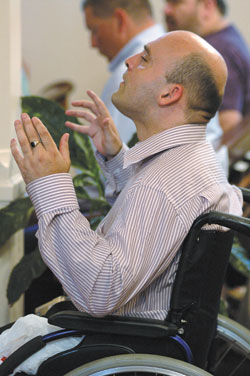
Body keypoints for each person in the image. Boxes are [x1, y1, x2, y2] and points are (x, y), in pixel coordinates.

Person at [11, 31, 242, 321]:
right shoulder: (191, 159)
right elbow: (150, 228)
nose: (130, 61)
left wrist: (50, 184)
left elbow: (99, 289)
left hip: (121, 344)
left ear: (170, 94)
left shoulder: (162, 183)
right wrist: (116, 157)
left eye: (144, 59)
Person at [82, 0, 165, 144]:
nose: (93, 43)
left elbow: (116, 162)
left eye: (95, 30)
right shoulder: (180, 52)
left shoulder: (129, 75)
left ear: (120, 20)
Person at [164, 0, 250, 137]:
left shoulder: (218, 51)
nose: (166, 10)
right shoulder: (226, 39)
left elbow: (229, 126)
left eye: (176, 3)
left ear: (207, 6)